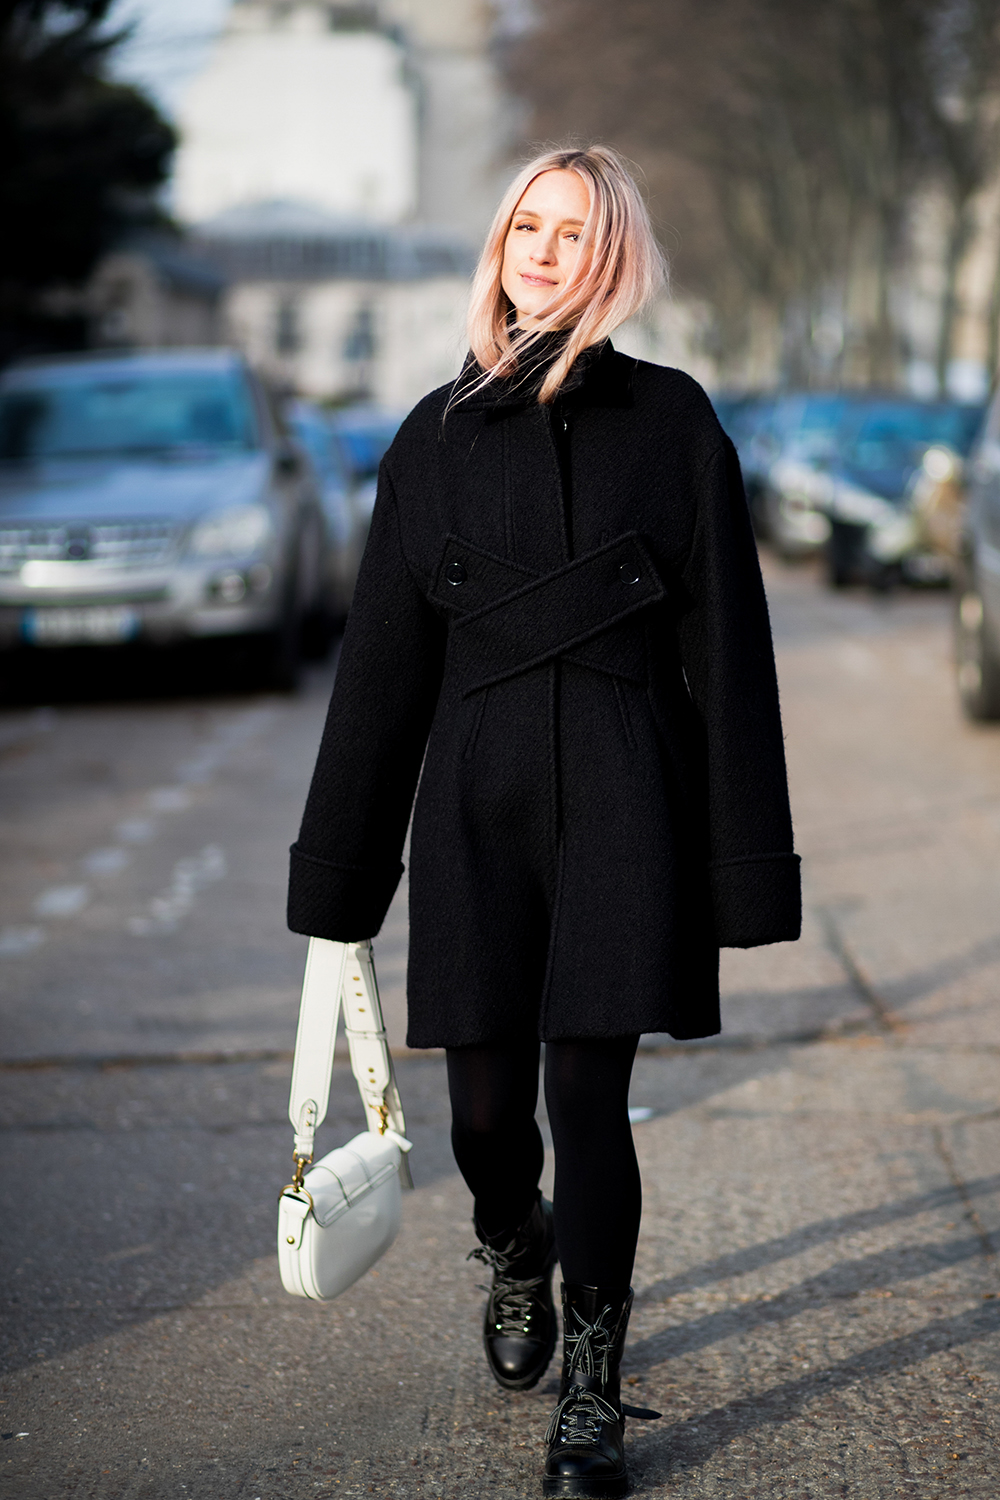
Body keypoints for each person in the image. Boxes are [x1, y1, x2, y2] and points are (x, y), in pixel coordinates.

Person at [287, 145, 800, 1498]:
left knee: (590, 1094)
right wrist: (341, 884)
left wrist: (742, 864)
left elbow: (728, 658)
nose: (545, 249)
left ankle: (593, 1392)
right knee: (488, 1123)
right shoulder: (434, 436)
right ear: (503, 244)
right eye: (529, 224)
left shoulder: (678, 426)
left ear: (613, 258)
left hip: (632, 795)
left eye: (574, 232)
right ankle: (516, 1243)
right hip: (479, 804)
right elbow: (382, 674)